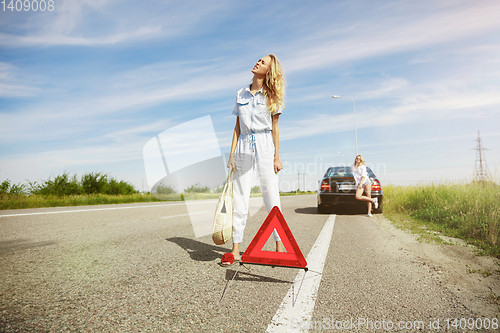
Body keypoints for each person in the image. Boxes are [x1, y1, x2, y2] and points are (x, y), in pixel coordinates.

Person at [223, 54, 285, 265]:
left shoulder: (272, 95)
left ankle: (278, 246)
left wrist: (277, 156)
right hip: (244, 145)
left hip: (265, 143)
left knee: (271, 194)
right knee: (240, 196)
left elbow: (275, 127)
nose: (258, 62)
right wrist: (231, 155)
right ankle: (235, 249)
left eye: (263, 62)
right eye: (258, 60)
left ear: (268, 70)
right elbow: (237, 128)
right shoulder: (240, 93)